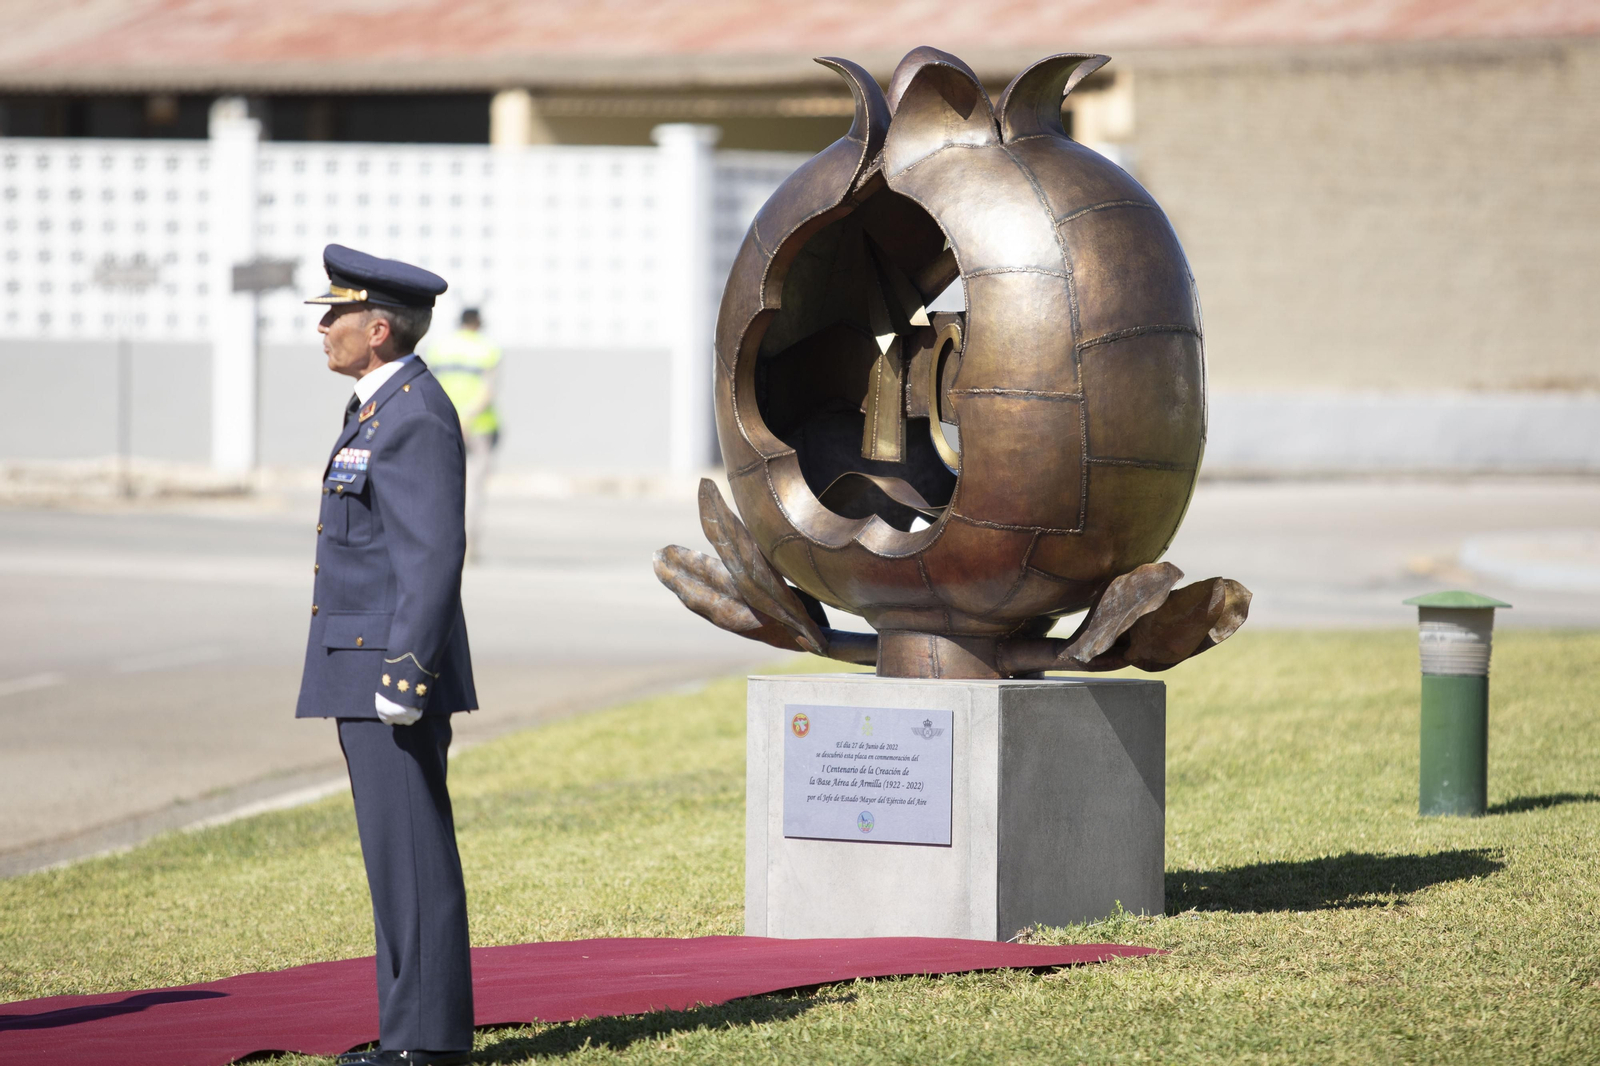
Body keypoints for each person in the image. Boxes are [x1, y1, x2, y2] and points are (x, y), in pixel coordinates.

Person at [297, 243, 477, 1066]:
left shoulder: (413, 413)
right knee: (392, 862)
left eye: (334, 314)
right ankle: (408, 1035)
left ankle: (429, 1046)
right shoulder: (378, 406)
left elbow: (433, 555)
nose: (323, 327)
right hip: (362, 663)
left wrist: (409, 674)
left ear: (377, 329)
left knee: (412, 855)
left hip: (388, 673)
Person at [427, 308, 501, 562]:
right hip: (478, 426)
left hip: (443, 424)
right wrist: (467, 418)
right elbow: (489, 391)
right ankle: (469, 548)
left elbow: (430, 385)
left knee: (441, 486)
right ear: (479, 323)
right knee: (474, 489)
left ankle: (440, 545)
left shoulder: (440, 348)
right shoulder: (487, 349)